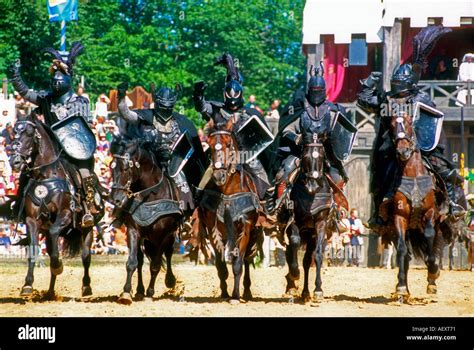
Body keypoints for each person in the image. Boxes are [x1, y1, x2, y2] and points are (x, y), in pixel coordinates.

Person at [357, 25, 466, 230]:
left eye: (400, 84)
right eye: (394, 84)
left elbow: (432, 120)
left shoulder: (421, 98)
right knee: (378, 175)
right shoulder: (387, 100)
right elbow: (364, 101)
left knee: (444, 169)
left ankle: (451, 204)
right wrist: (368, 85)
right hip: (392, 148)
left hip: (421, 148)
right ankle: (377, 214)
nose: (396, 88)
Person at [7, 42, 106, 227]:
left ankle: (87, 209)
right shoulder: (46, 99)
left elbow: (86, 127)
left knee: (85, 175)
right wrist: (15, 77)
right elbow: (26, 93)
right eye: (55, 80)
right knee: (26, 174)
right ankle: (19, 206)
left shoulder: (80, 101)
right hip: (50, 148)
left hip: (75, 153)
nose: (57, 83)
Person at [193, 53, 274, 212]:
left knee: (257, 169)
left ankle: (266, 203)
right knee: (209, 172)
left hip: (245, 154)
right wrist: (198, 96)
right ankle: (197, 202)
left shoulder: (250, 113)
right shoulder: (217, 109)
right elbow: (202, 107)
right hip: (222, 155)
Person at [271, 62, 355, 210]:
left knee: (339, 178)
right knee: (284, 173)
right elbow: (286, 129)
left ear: (324, 90)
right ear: (309, 90)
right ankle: (280, 207)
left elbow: (341, 133)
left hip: (325, 154)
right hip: (301, 152)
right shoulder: (300, 108)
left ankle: (337, 210)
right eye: (313, 90)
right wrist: (296, 138)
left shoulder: (332, 110)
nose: (316, 93)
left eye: (319, 90)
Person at [117, 82, 206, 215]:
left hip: (173, 164)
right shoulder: (146, 116)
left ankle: (187, 215)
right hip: (148, 161)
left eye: (167, 106)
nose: (165, 109)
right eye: (162, 106)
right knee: (128, 179)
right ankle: (119, 214)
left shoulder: (181, 122)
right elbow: (126, 113)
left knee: (183, 184)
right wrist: (121, 96)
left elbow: (191, 147)